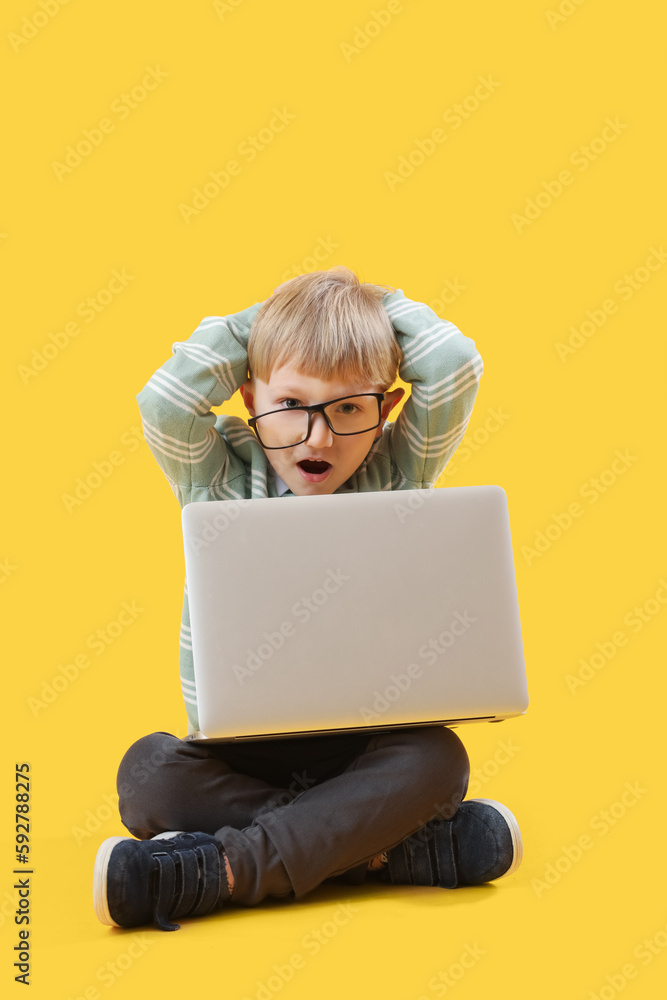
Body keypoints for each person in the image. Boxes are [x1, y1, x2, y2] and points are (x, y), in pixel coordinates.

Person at [93, 266, 522, 932]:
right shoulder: (219, 478)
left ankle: (218, 870)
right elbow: (165, 400)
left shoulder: (395, 475)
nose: (317, 437)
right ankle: (380, 851)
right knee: (147, 772)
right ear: (247, 395)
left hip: (361, 750)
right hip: (239, 753)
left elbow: (455, 366)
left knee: (438, 757)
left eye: (348, 408)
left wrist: (373, 303)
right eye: (291, 403)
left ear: (383, 410)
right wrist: (267, 323)